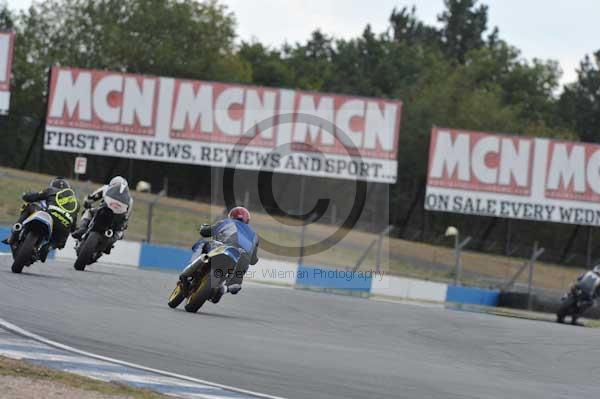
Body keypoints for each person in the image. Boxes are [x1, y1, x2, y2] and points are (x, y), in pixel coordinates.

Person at [179, 206, 258, 303]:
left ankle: (188, 270)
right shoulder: (255, 236)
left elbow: (206, 232)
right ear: (247, 220)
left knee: (203, 243)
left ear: (231, 216)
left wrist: (203, 227)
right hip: (241, 261)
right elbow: (253, 260)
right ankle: (223, 289)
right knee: (236, 283)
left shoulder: (228, 222)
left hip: (224, 250)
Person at [2, 177, 78, 261]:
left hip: (51, 217)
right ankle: (48, 247)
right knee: (59, 242)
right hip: (63, 227)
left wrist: (24, 195)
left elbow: (33, 197)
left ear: (52, 185)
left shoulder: (51, 190)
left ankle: (18, 227)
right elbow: (73, 226)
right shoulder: (76, 203)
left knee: (30, 206)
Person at [71, 176, 133, 248]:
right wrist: (123, 226)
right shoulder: (130, 200)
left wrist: (86, 203)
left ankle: (82, 228)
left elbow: (91, 198)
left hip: (104, 213)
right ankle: (109, 245)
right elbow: (127, 216)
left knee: (88, 212)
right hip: (118, 220)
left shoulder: (106, 188)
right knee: (120, 232)